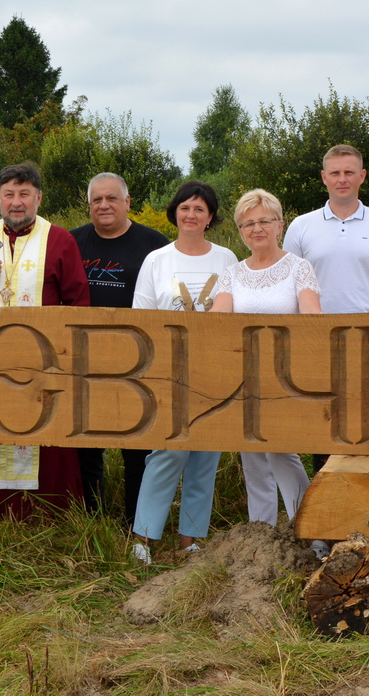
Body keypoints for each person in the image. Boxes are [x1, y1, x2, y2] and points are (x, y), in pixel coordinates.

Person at [0, 163, 90, 517]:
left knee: (45, 443)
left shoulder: (60, 239)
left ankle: (46, 516)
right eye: (9, 194)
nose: (16, 202)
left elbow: (79, 302)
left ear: (38, 198)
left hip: (43, 365)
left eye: (24, 194)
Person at [283, 144, 369, 473]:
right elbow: (289, 289)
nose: (342, 179)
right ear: (324, 177)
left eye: (349, 172)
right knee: (325, 422)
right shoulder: (300, 227)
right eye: (335, 173)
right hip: (318, 341)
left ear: (362, 176)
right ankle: (326, 501)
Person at [128, 181, 237, 564]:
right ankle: (144, 536)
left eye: (200, 209)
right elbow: (141, 317)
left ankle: (191, 539)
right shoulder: (157, 260)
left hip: (214, 370)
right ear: (175, 212)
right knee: (167, 453)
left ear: (210, 217)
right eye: (185, 208)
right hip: (167, 369)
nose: (191, 215)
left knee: (205, 456)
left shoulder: (226, 259)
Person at [212, 188, 322, 552]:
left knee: (282, 453)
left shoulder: (298, 268)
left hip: (286, 377)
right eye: (248, 223)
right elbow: (219, 323)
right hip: (243, 377)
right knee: (251, 455)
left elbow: (312, 320)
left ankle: (310, 528)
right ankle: (260, 535)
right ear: (240, 231)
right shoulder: (231, 274)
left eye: (264, 221)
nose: (256, 228)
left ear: (280, 224)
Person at [71, 172, 170, 521]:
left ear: (127, 202)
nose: (104, 205)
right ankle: (91, 520)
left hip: (139, 361)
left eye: (112, 198)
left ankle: (138, 523)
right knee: (85, 445)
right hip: (82, 360)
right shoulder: (72, 243)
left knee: (138, 447)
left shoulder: (155, 244)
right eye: (97, 199)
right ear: (89, 205)